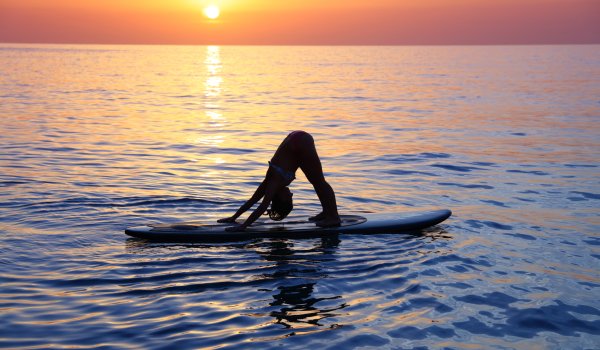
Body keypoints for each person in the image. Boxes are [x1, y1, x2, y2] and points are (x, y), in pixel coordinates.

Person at [218, 130, 341, 231]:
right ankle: (327, 212)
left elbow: (260, 206)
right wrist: (234, 218)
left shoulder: (272, 184)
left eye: (289, 198)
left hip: (299, 142)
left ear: (280, 198)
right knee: (317, 182)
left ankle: (333, 217)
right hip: (296, 140)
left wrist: (242, 226)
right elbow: (252, 201)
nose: (291, 194)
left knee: (319, 181)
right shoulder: (270, 183)